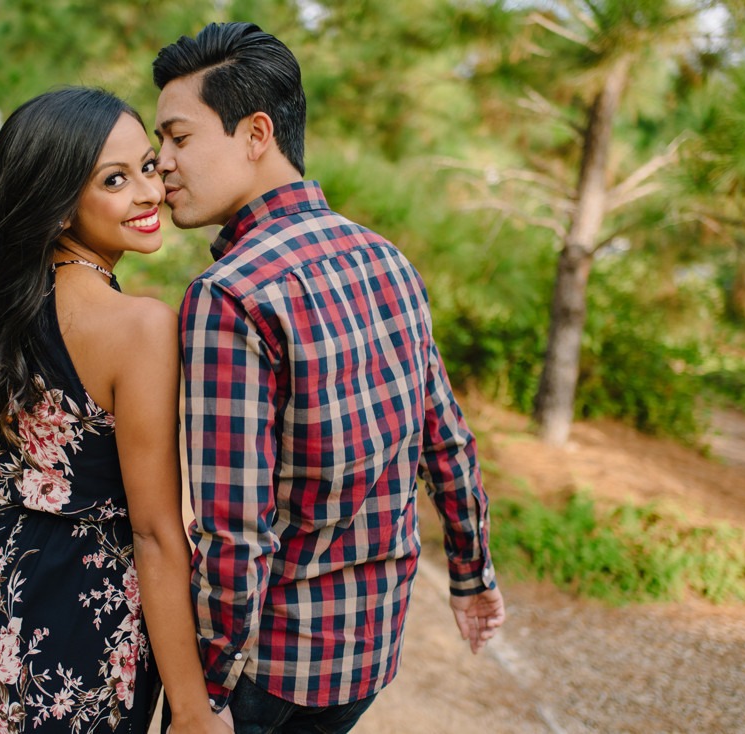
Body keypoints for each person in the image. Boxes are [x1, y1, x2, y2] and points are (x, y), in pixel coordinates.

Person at [152, 22, 506, 733]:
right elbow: (450, 444)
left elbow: (236, 534)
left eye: (179, 138)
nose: (161, 163)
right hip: (370, 654)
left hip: (269, 673)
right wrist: (471, 578)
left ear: (256, 134)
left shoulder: (230, 294)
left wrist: (205, 697)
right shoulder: (385, 257)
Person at [0, 87, 230, 734]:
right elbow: (156, 533)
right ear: (57, 207)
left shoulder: (0, 306)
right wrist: (192, 713)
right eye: (115, 179)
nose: (148, 192)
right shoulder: (140, 328)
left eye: (146, 166)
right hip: (83, 618)